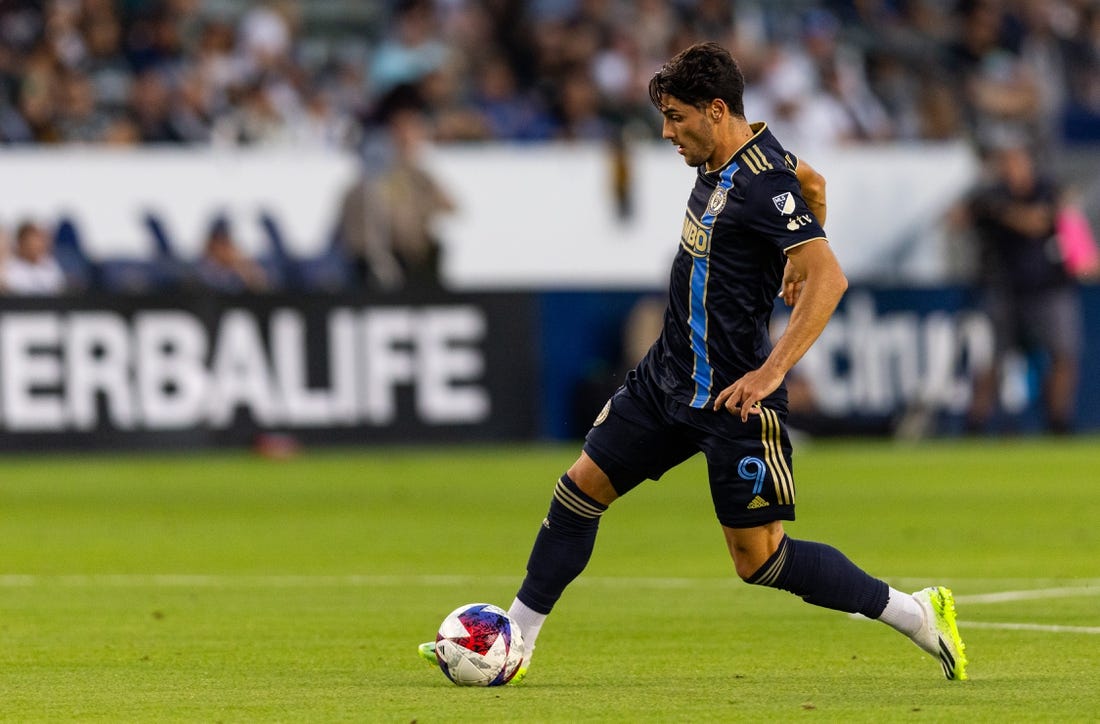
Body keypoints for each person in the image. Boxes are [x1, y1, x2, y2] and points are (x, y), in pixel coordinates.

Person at [418, 42, 967, 683]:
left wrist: (773, 368)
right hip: (665, 379)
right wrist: (797, 247)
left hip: (735, 398)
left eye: (677, 118)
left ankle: (916, 613)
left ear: (715, 110)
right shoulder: (732, 158)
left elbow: (831, 279)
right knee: (577, 492)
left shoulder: (762, 184)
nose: (667, 132)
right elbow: (815, 184)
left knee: (759, 560)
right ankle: (517, 641)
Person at [964, 139, 1085, 434]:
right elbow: (959, 217)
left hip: (1048, 288)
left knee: (1063, 355)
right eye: (1006, 162)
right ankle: (976, 424)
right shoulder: (991, 195)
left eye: (1017, 161)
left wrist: (1004, 213)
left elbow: (1039, 220)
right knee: (990, 359)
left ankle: (1058, 423)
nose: (1012, 169)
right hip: (1004, 290)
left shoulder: (1045, 189)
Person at [0, 220, 67, 295]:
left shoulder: (50, 264)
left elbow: (59, 288)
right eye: (31, 243)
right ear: (21, 243)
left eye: (40, 241)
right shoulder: (9, 267)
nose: (37, 246)